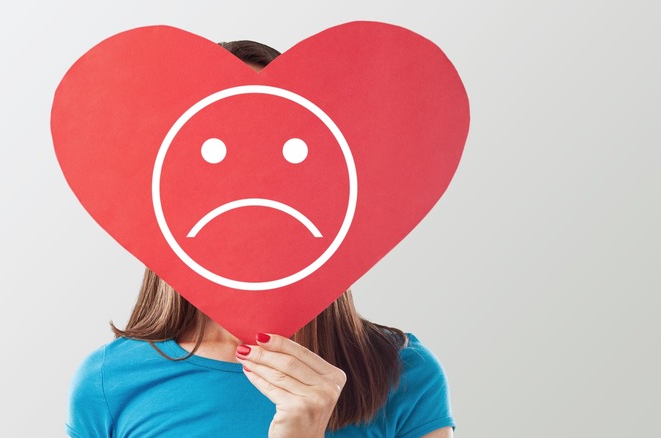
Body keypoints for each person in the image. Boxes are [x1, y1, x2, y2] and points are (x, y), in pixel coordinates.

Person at [66, 40, 455, 438]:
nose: (250, 185)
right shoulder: (109, 383)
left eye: (281, 148)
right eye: (215, 153)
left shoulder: (404, 374)